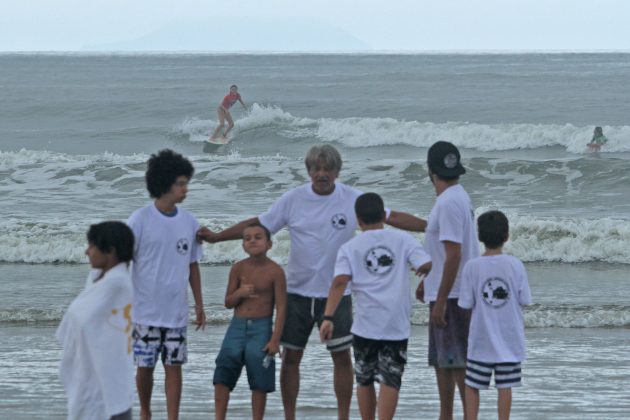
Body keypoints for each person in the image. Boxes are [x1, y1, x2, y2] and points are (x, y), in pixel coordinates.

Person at [198, 145, 419, 420]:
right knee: (291, 358)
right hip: (298, 293)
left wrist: (430, 225)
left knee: (341, 358)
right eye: (316, 168)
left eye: (328, 169)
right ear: (308, 171)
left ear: (337, 172)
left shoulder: (352, 198)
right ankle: (289, 416)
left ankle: (343, 416)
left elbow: (391, 216)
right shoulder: (293, 199)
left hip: (337, 293)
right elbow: (260, 223)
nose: (321, 174)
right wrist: (218, 236)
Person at [384, 141, 480, 419]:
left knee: (457, 362)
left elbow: (453, 255)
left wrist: (439, 301)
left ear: (430, 171)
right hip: (451, 290)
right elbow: (430, 229)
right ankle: (446, 414)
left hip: (453, 295)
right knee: (445, 361)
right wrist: (430, 279)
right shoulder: (455, 197)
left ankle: (461, 415)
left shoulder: (449, 202)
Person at [319, 192, 432, 420]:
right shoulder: (402, 240)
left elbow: (340, 282)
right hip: (395, 325)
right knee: (391, 379)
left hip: (365, 326)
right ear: (383, 215)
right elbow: (427, 262)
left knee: (364, 378)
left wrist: (328, 317)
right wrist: (423, 273)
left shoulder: (349, 247)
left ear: (358, 220)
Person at [128, 149, 206, 420]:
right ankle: (146, 412)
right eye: (180, 183)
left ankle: (173, 416)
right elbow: (123, 261)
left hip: (176, 312)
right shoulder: (140, 219)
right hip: (144, 312)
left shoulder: (189, 222)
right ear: (163, 183)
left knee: (175, 366)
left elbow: (193, 266)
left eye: (187, 183)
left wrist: (199, 305)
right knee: (145, 366)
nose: (186, 189)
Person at [56, 221, 135, 420]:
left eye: (92, 246)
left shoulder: (116, 283)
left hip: (107, 377)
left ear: (111, 251)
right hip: (99, 372)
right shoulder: (99, 278)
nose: (87, 251)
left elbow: (79, 314)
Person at [458, 210, 532, 420]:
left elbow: (466, 303)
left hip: (480, 340)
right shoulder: (515, 265)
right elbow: (525, 300)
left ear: (479, 236)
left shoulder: (472, 266)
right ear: (507, 235)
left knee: (472, 385)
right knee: (505, 387)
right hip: (509, 339)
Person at [213, 222, 287, 420]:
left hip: (262, 328)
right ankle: (219, 417)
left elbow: (281, 308)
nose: (253, 241)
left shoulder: (276, 271)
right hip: (236, 326)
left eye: (258, 237)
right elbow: (228, 302)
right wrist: (240, 293)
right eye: (248, 239)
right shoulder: (238, 268)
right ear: (243, 245)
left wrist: (275, 339)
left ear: (269, 244)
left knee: (259, 376)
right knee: (223, 370)